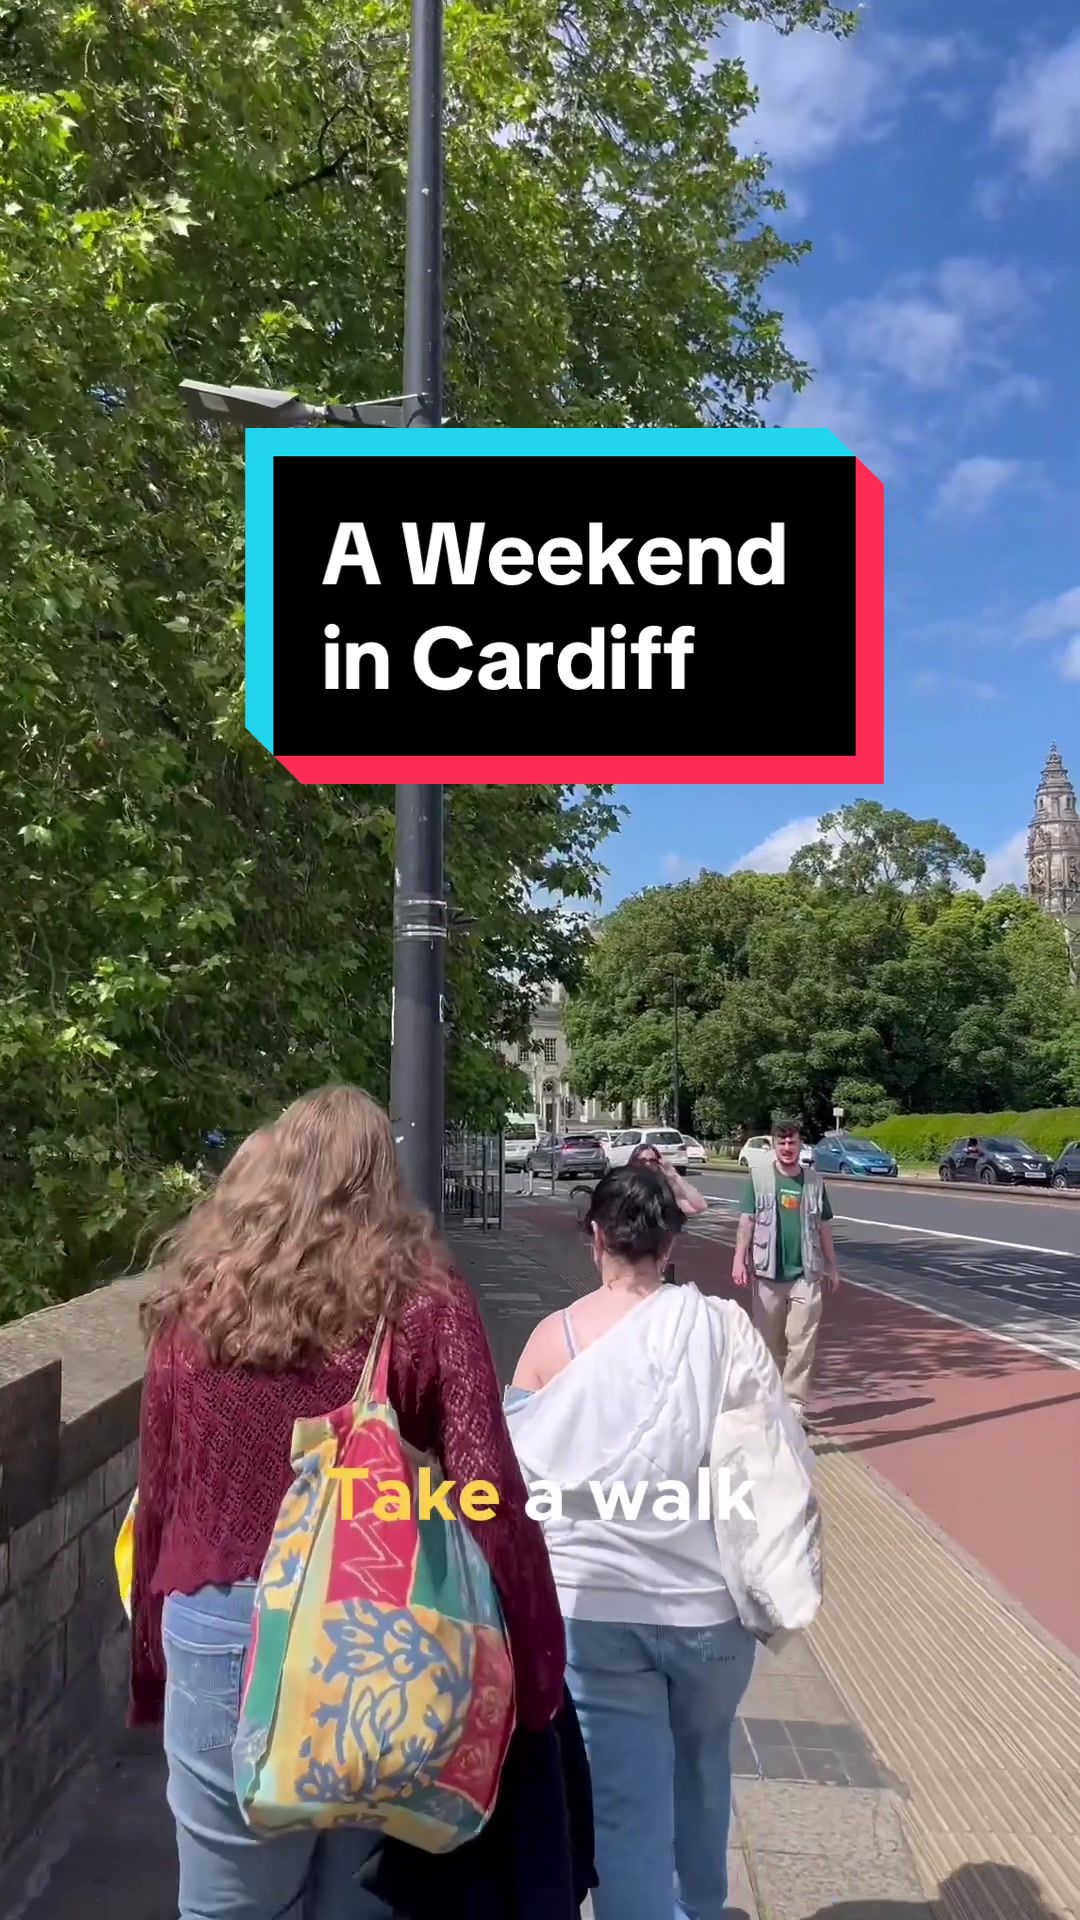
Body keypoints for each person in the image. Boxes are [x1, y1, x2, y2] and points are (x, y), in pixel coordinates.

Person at [130, 1086, 565, 1920]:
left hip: (217, 1624)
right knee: (360, 1900)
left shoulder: (198, 1302)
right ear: (382, 1181)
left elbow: (163, 1491)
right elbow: (487, 1492)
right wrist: (536, 1665)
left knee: (224, 1906)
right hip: (375, 1631)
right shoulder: (422, 1300)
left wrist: (151, 1660)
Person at [506, 1164, 801, 1920]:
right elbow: (767, 1457)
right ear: (670, 1244)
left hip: (596, 1609)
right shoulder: (720, 1328)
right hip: (707, 1609)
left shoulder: (551, 1341)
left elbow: (515, 1481)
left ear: (595, 1237)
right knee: (703, 1772)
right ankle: (699, 1907)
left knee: (623, 1809)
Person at [731, 1116, 840, 1427]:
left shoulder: (815, 1182)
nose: (788, 1147)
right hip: (768, 1274)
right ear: (774, 1145)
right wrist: (739, 1258)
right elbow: (746, 1222)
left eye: (793, 1142)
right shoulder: (759, 1177)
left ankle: (794, 1406)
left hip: (806, 1273)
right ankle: (770, 1403)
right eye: (783, 1142)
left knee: (802, 1341)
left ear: (800, 1144)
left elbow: (823, 1227)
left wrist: (833, 1266)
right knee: (769, 1343)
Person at [628, 1141, 706, 1281]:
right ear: (633, 1162)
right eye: (642, 1160)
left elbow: (699, 1206)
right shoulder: (625, 1191)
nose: (647, 1164)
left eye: (652, 1160)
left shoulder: (665, 1194)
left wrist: (673, 1174)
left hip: (660, 1273)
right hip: (631, 1271)